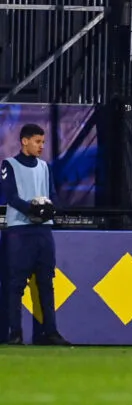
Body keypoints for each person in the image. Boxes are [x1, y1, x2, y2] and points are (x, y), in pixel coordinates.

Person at [1, 124, 65, 345]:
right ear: (24, 141)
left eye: (43, 142)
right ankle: (15, 333)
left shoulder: (45, 167)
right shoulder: (9, 165)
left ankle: (50, 332)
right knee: (15, 284)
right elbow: (10, 196)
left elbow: (53, 195)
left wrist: (50, 209)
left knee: (47, 283)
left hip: (43, 232)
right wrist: (32, 209)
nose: (41, 146)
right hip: (19, 231)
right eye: (37, 141)